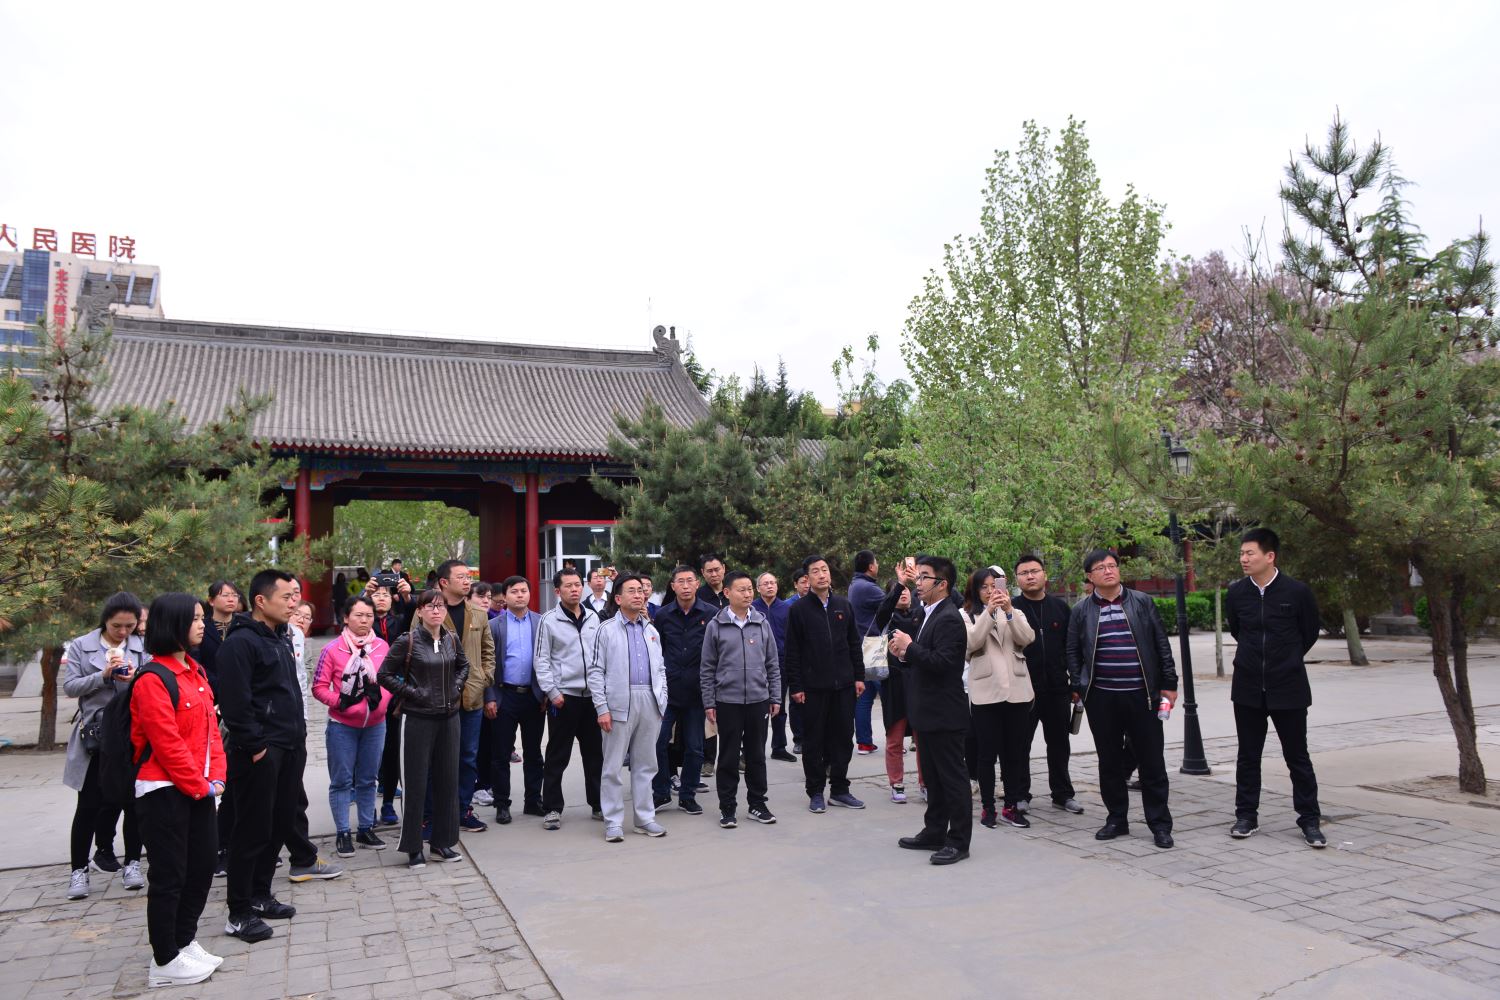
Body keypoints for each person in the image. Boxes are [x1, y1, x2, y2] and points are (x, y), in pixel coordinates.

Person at [218, 569, 342, 946]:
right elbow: (236, 704)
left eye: (295, 596)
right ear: (261, 601)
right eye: (287, 597)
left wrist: (297, 738)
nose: (294, 603)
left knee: (279, 823)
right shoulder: (240, 642)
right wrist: (257, 746)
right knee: (251, 830)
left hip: (290, 746)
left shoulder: (282, 637)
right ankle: (239, 912)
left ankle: (260, 894)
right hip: (259, 752)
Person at [132, 593, 227, 988]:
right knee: (169, 875)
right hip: (163, 790)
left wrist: (217, 778)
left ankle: (184, 940)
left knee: (202, 867)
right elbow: (167, 744)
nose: (203, 625)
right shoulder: (153, 679)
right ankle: (164, 959)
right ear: (172, 624)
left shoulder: (195, 671)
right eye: (195, 619)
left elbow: (212, 734)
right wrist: (199, 786)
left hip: (200, 788)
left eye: (203, 618)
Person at [1066, 549, 1178, 850]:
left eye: (1112, 565)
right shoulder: (1081, 610)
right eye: (1100, 568)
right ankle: (1117, 818)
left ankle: (1160, 824)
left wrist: (1169, 683)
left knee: (1152, 762)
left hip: (1143, 695)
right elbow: (1073, 651)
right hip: (1102, 698)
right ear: (1090, 576)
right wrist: (1079, 684)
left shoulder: (1141, 602)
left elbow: (1161, 644)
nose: (1108, 571)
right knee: (1110, 762)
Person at [1225, 528, 1326, 848]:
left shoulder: (1297, 592)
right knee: (1247, 756)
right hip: (1248, 687)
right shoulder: (1237, 593)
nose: (1243, 559)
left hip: (1289, 687)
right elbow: (1238, 631)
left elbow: (1308, 633)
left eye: (1250, 553)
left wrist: (1286, 660)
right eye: (1241, 553)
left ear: (1270, 556)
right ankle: (1246, 816)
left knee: (1297, 756)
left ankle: (1309, 820)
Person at [63, 592, 149, 900]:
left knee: (134, 803)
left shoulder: (142, 647)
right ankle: (79, 870)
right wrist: (103, 675)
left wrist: (134, 677)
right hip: (96, 737)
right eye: (117, 626)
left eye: (130, 626)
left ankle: (132, 864)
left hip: (131, 735)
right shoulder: (82, 645)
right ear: (105, 621)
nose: (123, 632)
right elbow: (70, 686)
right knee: (88, 805)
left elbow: (152, 684)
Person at [887, 556, 971, 864]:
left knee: (952, 780)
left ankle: (959, 841)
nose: (918, 583)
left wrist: (910, 647)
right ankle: (934, 831)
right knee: (933, 779)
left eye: (924, 577)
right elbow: (925, 658)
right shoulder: (927, 613)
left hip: (944, 713)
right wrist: (904, 654)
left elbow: (944, 663)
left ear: (942, 584)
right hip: (926, 711)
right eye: (918, 577)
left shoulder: (949, 617)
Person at [380, 590, 470, 867]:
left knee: (447, 781)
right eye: (430, 606)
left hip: (449, 718)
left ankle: (442, 843)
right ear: (419, 611)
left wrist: (456, 688)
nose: (436, 611)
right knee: (416, 783)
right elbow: (384, 674)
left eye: (440, 606)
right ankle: (413, 846)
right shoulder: (407, 641)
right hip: (417, 718)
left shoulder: (451, 639)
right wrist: (414, 693)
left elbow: (463, 666)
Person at [587, 575, 669, 841]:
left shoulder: (651, 631)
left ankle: (645, 819)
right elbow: (595, 671)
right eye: (631, 591)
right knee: (612, 767)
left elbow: (660, 669)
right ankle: (613, 821)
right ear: (618, 598)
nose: (638, 595)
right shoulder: (606, 630)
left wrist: (662, 700)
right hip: (619, 701)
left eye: (640, 591)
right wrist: (602, 707)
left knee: (646, 765)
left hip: (649, 701)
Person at [783, 555, 866, 813]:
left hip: (844, 685)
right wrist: (796, 686)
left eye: (825, 570)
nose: (822, 575)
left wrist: (859, 676)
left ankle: (840, 789)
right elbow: (792, 651)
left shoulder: (843, 605)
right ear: (807, 578)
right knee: (813, 742)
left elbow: (854, 643)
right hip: (813, 688)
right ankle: (816, 791)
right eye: (815, 571)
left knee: (843, 739)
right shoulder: (799, 609)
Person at [312, 595, 393, 858]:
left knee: (369, 779)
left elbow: (391, 678)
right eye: (358, 615)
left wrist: (383, 700)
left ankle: (366, 828)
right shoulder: (332, 649)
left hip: (376, 725)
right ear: (346, 618)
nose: (364, 620)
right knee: (342, 781)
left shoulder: (382, 646)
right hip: (342, 725)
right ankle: (343, 832)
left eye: (369, 615)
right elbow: (319, 687)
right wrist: (341, 702)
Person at [701, 571, 782, 828]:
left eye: (750, 589)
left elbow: (772, 663)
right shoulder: (716, 625)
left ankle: (758, 804)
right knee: (727, 757)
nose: (748, 594)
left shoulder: (761, 623)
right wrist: (709, 702)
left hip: (758, 699)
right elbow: (707, 668)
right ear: (727, 593)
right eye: (741, 589)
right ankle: (727, 807)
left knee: (756, 756)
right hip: (728, 701)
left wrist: (775, 696)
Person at [962, 567, 1037, 830]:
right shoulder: (966, 615)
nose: (990, 591)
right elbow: (971, 644)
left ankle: (1011, 806)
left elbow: (1027, 638)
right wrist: (989, 612)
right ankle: (988, 807)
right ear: (975, 591)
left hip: (1017, 691)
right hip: (986, 692)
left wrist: (1008, 611)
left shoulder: (1015, 612)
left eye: (995, 585)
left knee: (1014, 753)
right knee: (986, 754)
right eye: (984, 587)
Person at [534, 567, 604, 830]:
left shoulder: (593, 617)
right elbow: (541, 660)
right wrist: (553, 692)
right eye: (568, 586)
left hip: (592, 698)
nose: (575, 589)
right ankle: (552, 808)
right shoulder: (549, 620)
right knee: (557, 754)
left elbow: (600, 655)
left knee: (595, 754)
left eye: (577, 585)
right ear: (557, 591)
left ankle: (598, 803)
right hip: (565, 698)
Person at [1013, 554, 1083, 815]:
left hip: (1057, 689)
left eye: (1034, 571)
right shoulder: (1012, 608)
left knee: (1059, 744)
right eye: (1024, 573)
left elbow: (1072, 649)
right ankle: (1020, 794)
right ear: (1017, 579)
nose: (1030, 576)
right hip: (1022, 690)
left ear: (1044, 574)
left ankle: (1063, 794)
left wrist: (1075, 684)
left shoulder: (1060, 608)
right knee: (1020, 745)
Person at [650, 565, 716, 816]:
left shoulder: (711, 614)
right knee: (658, 743)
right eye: (681, 581)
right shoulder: (664, 615)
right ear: (673, 586)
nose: (686, 586)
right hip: (667, 692)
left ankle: (687, 796)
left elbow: (716, 653)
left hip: (697, 693)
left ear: (697, 584)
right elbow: (657, 652)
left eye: (690, 581)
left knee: (695, 747)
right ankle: (661, 791)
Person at [485, 575, 545, 825]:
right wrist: (490, 696)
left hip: (533, 696)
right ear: (505, 597)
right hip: (504, 695)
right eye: (514, 591)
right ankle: (501, 804)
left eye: (523, 591)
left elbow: (549, 659)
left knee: (534, 753)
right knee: (501, 754)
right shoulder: (494, 625)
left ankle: (533, 800)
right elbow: (487, 664)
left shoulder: (540, 622)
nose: (520, 595)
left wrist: (545, 693)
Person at [450, 579, 497, 833]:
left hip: (472, 696)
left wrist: (483, 678)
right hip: (439, 698)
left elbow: (488, 652)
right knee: (440, 758)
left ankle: (463, 809)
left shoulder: (479, 615)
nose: (465, 580)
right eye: (460, 576)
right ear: (444, 581)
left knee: (468, 756)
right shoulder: (432, 610)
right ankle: (435, 813)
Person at [874, 564, 922, 802]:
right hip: (894, 684)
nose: (903, 593)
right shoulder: (887, 618)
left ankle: (926, 783)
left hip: (919, 682)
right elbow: (883, 609)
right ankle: (897, 783)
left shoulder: (920, 614)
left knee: (923, 738)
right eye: (898, 591)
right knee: (894, 738)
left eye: (906, 591)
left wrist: (919, 578)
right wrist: (901, 582)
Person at [371, 582, 409, 828]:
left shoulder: (399, 621)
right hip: (370, 693)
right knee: (372, 750)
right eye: (376, 594)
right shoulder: (364, 622)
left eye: (385, 594)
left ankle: (387, 802)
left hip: (396, 692)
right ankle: (368, 806)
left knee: (393, 748)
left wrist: (406, 595)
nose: (381, 598)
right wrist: (364, 594)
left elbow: (414, 612)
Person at [753, 572, 799, 762]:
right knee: (756, 710)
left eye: (773, 582)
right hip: (756, 664)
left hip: (780, 663)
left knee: (779, 707)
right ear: (758, 588)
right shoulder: (752, 608)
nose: (770, 586)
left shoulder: (787, 609)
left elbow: (794, 638)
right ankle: (753, 750)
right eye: (765, 583)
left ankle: (779, 747)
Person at [848, 550, 885, 756]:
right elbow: (892, 603)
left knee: (865, 695)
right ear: (871, 566)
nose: (877, 565)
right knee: (887, 693)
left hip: (862, 644)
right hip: (873, 645)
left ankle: (864, 742)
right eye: (876, 562)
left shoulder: (855, 585)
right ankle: (895, 740)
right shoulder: (868, 587)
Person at [196, 580, 241, 692]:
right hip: (210, 689)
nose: (231, 599)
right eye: (225, 595)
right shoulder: (201, 627)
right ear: (211, 601)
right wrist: (217, 684)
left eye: (235, 595)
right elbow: (196, 662)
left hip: (242, 689)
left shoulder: (245, 625)